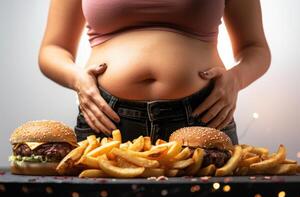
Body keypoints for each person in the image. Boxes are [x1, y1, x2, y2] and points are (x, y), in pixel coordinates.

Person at [38, 0, 271, 144]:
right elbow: (52, 49)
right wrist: (77, 79)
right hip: (105, 117)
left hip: (204, 115)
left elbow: (255, 48)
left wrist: (236, 79)